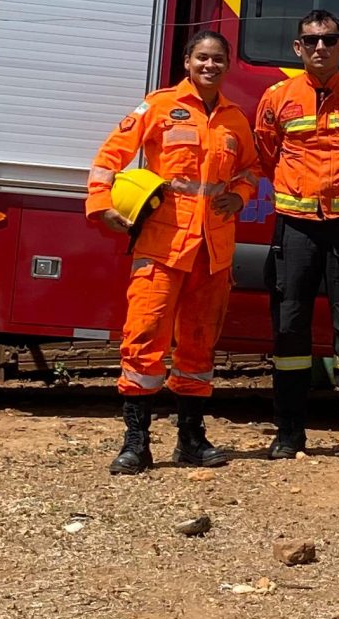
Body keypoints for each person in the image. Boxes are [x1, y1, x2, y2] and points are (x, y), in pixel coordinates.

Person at [86, 29, 259, 475]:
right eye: (202, 57)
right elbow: (111, 154)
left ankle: (191, 440)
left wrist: (239, 196)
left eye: (218, 59)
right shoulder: (160, 105)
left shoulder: (236, 118)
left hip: (212, 249)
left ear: (227, 65)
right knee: (143, 340)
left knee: (199, 348)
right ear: (187, 61)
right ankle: (136, 444)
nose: (209, 65)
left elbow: (250, 170)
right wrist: (100, 203)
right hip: (163, 245)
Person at [253, 9, 339, 461]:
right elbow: (268, 154)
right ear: (297, 47)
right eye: (310, 40)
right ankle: (290, 432)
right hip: (295, 228)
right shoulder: (277, 97)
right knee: (290, 330)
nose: (319, 47)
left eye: (329, 39)